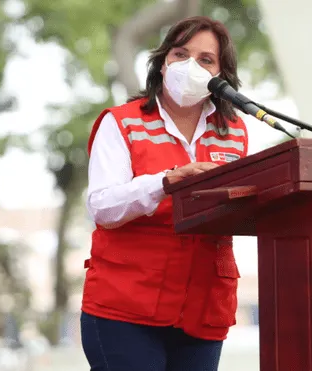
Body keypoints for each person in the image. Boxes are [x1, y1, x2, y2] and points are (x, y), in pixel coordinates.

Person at [80, 16, 248, 371]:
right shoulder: (122, 122)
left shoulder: (234, 131)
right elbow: (102, 207)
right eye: (180, 54)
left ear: (222, 76)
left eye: (205, 60)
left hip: (204, 308)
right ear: (162, 62)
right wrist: (167, 181)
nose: (190, 66)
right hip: (126, 308)